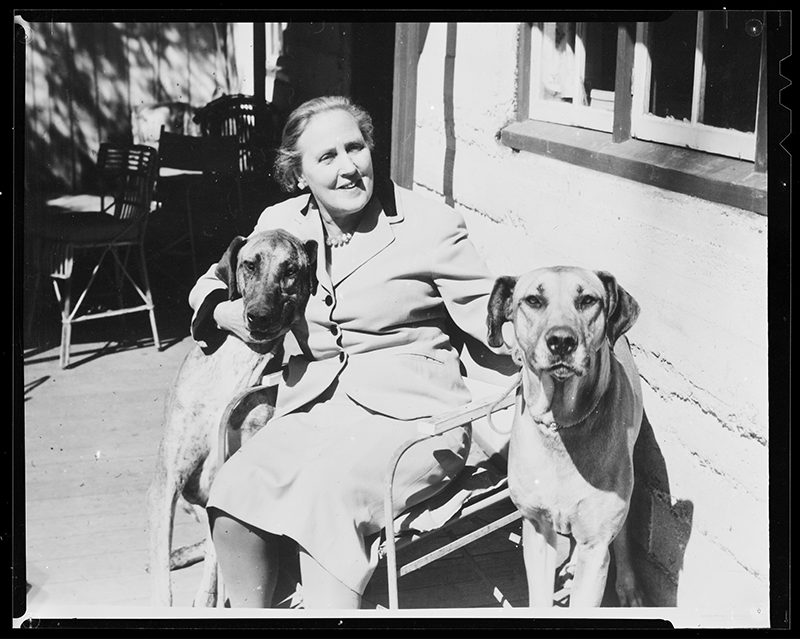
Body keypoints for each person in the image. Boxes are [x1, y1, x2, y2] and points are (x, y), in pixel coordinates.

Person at [188, 95, 516, 609]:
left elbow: (490, 311)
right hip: (313, 409)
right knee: (233, 490)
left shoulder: (429, 225)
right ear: (299, 176)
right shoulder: (280, 222)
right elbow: (217, 279)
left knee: (327, 493)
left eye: (355, 148)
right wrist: (222, 311)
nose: (348, 168)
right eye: (327, 157)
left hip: (416, 415)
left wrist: (545, 328)